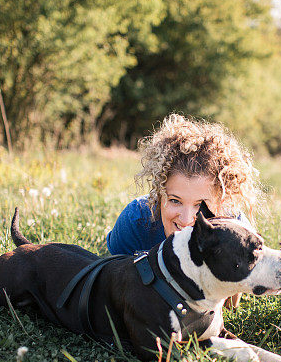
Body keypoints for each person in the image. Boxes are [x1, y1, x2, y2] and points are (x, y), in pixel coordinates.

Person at [106, 113, 262, 308]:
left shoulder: (235, 231)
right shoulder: (135, 221)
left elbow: (230, 306)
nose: (188, 219)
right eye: (174, 200)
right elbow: (118, 290)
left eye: (200, 205)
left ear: (222, 202)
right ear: (159, 194)